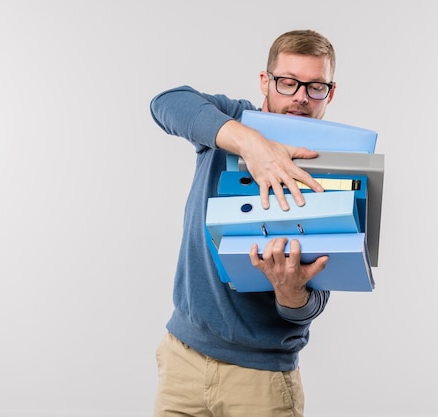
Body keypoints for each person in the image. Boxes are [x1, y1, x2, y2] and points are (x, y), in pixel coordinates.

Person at [150, 29, 338, 417]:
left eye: (315, 86)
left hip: (262, 381)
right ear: (265, 82)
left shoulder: (338, 167)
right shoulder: (231, 120)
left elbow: (315, 297)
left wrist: (291, 294)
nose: (300, 96)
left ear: (329, 94)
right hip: (182, 361)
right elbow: (167, 103)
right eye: (288, 82)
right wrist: (253, 144)